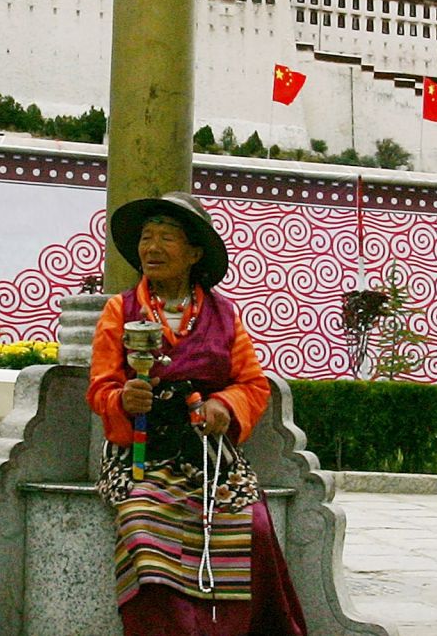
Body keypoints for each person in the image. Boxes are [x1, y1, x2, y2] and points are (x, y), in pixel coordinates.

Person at [86, 192, 306, 636]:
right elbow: (101, 385)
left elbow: (252, 384)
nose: (152, 247)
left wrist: (225, 405)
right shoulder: (120, 310)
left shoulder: (224, 315)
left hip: (210, 457)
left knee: (253, 527)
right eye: (147, 237)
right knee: (144, 536)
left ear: (193, 254)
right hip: (141, 457)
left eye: (167, 237)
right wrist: (123, 399)